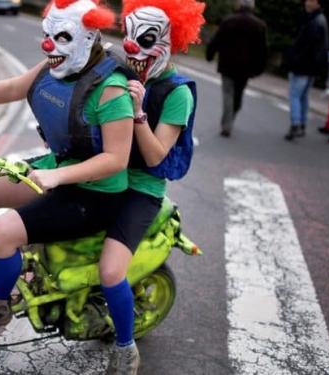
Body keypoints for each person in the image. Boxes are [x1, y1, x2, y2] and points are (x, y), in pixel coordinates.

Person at [0, 0, 137, 341]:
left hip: (95, 193)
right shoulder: (54, 65)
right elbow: (17, 87)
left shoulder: (111, 88)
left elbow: (117, 159)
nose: (48, 46)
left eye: (61, 37)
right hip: (55, 169)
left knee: (2, 232)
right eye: (47, 36)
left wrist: (57, 177)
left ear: (88, 38)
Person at [96, 0, 203, 374]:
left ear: (171, 39)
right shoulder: (122, 72)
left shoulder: (177, 93)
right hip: (104, 173)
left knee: (110, 272)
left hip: (141, 186)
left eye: (144, 39)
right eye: (127, 36)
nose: (130, 48)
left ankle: (126, 349)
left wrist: (139, 112)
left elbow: (157, 157)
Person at [205, 0, 268, 138]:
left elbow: (216, 40)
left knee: (228, 94)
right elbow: (262, 50)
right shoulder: (259, 25)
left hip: (227, 65)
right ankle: (231, 118)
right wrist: (259, 68)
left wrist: (210, 54)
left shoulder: (229, 21)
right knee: (238, 94)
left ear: (239, 5)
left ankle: (226, 123)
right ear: (252, 7)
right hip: (246, 69)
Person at [284, 0, 329, 141]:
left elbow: (307, 48)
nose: (307, 3)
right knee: (303, 96)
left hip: (303, 67)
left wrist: (294, 61)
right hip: (311, 68)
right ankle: (302, 124)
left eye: (311, 1)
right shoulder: (319, 20)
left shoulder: (314, 22)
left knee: (294, 95)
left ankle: (295, 125)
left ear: (319, 3)